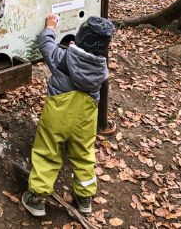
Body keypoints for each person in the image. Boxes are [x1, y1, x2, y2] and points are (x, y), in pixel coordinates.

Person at [22, 15, 113, 218]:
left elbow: (46, 46)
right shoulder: (102, 69)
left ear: (78, 38)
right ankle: (84, 198)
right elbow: (87, 61)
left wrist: (50, 28)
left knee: (47, 152)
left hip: (57, 117)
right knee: (83, 156)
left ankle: (37, 199)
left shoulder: (63, 58)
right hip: (85, 122)